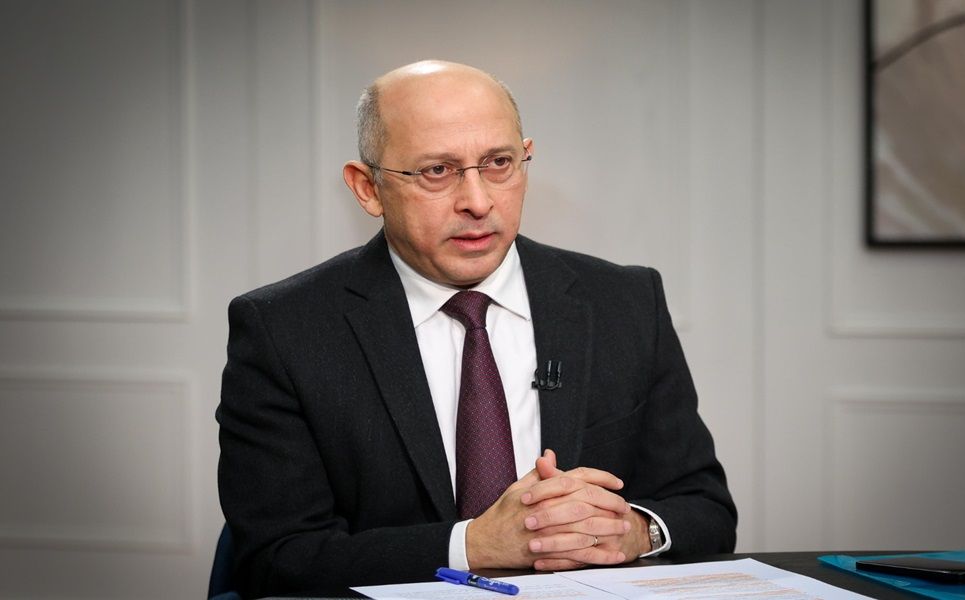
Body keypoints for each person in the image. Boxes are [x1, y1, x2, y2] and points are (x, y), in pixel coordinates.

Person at [217, 60, 736, 598]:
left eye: (499, 163)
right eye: (437, 171)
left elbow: (706, 508)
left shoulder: (624, 301)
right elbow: (277, 558)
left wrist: (635, 531)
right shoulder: (283, 329)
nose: (478, 202)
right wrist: (472, 546)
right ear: (368, 188)